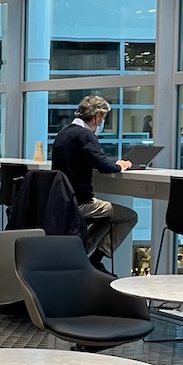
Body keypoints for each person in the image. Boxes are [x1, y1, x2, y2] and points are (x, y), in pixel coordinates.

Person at [51, 95, 137, 271]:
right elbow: (104, 165)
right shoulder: (85, 135)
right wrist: (120, 165)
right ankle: (96, 258)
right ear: (97, 117)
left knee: (106, 219)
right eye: (103, 119)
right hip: (82, 203)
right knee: (129, 217)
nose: (102, 123)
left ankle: (81, 253)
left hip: (63, 201)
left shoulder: (63, 133)